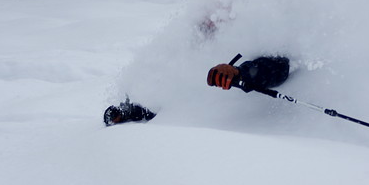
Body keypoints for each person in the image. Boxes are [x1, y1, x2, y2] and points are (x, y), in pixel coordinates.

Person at [104, 55, 290, 126]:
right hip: (180, 117)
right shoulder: (202, 29)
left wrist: (241, 74)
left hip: (228, 129)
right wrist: (134, 110)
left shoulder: (263, 17)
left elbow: (280, 67)